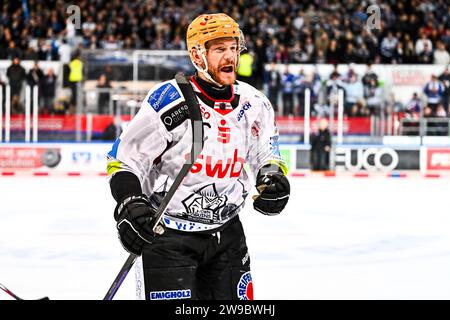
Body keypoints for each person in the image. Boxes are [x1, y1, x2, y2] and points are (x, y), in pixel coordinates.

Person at [106, 13, 290, 300]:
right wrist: (130, 203)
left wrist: (272, 178)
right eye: (219, 49)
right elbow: (126, 159)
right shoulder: (170, 100)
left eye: (234, 48)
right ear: (197, 55)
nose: (230, 56)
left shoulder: (255, 103)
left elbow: (265, 153)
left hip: (227, 234)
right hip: (168, 236)